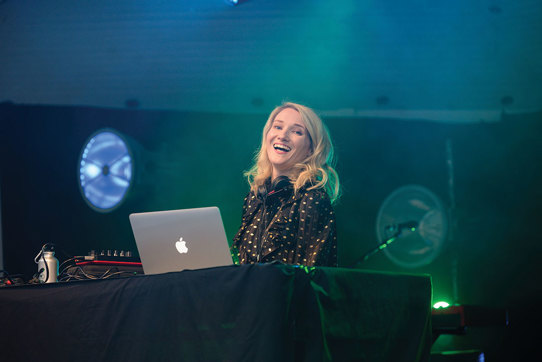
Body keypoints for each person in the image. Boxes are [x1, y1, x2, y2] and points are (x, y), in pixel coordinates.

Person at [232, 102, 340, 267]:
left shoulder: (313, 199)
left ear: (311, 149)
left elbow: (311, 275)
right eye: (277, 127)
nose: (282, 136)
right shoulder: (254, 198)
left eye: (297, 132)